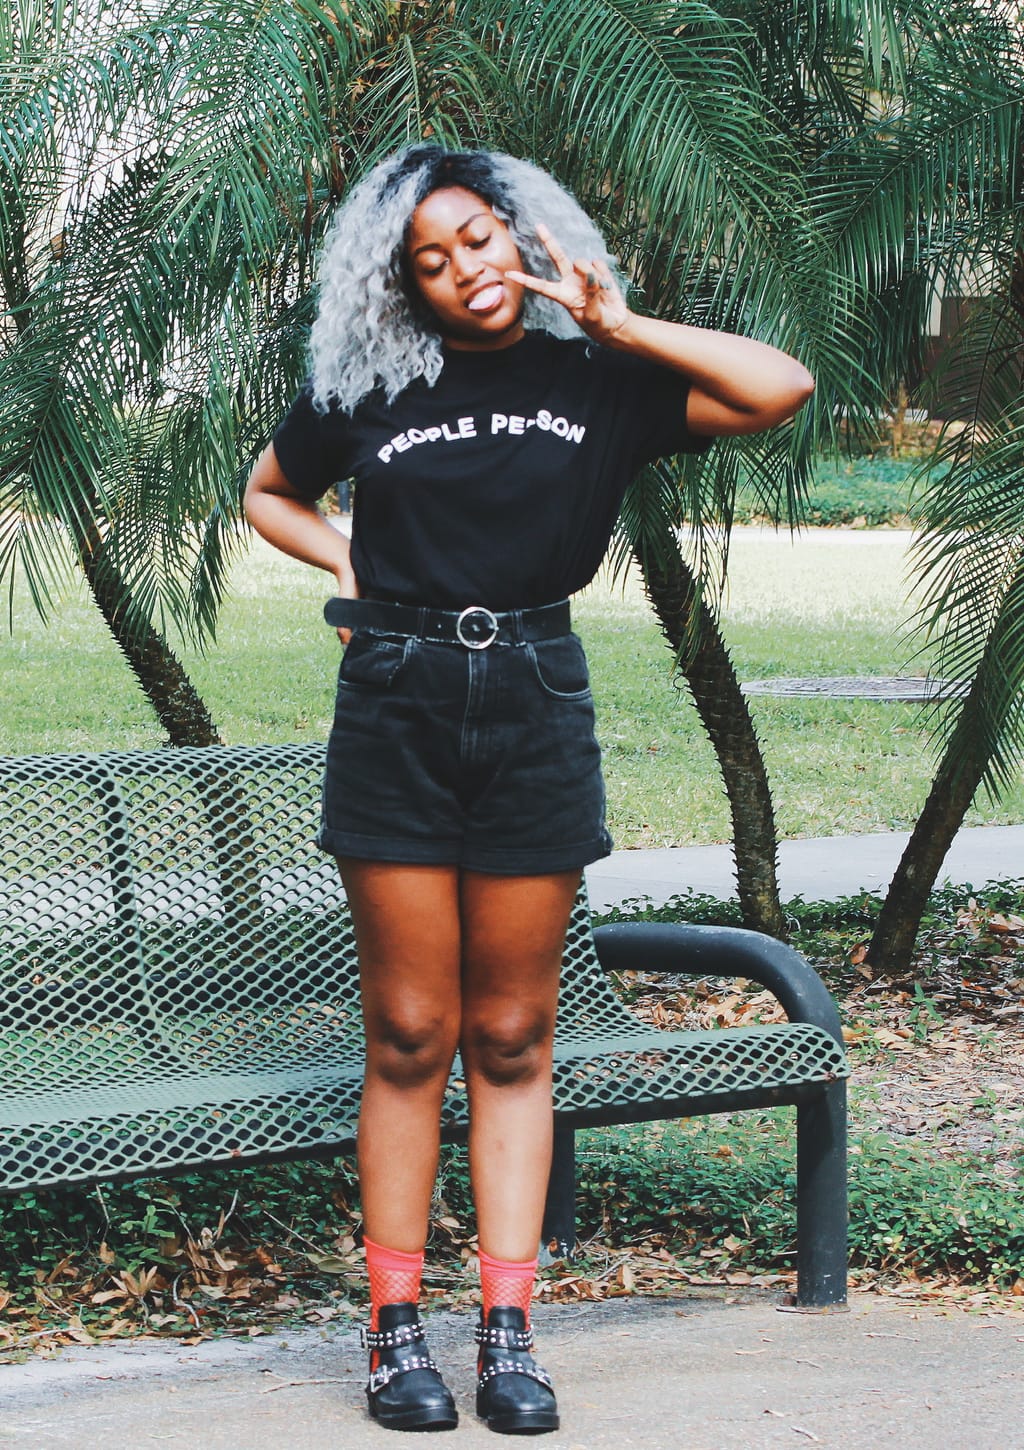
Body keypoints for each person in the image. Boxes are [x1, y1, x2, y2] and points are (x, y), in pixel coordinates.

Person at [244, 143, 814, 1435]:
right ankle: (396, 1329)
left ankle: (508, 1326)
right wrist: (354, 570)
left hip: (536, 699)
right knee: (408, 1033)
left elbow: (783, 386)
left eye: (479, 241)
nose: (465, 272)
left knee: (511, 1035)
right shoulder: (366, 386)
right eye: (430, 262)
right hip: (396, 697)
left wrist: (618, 318)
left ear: (520, 233)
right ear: (403, 285)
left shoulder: (598, 377)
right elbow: (269, 493)